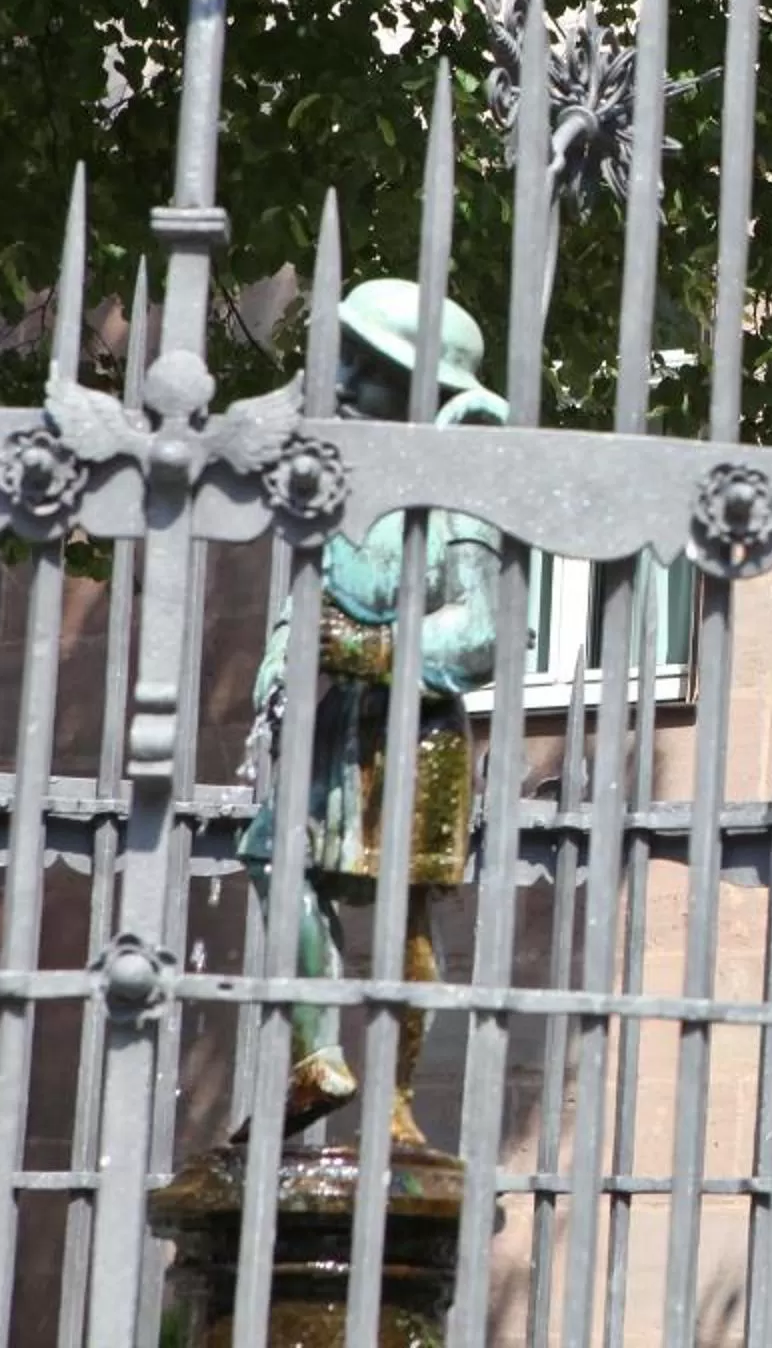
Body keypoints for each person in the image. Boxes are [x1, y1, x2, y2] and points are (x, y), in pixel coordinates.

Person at [239, 279, 506, 1146]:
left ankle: (395, 1105)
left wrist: (363, 648)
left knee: (403, 908)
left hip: (418, 733)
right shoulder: (345, 488)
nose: (344, 378)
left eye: (370, 365)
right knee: (276, 858)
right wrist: (282, 664)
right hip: (344, 722)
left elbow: (481, 634)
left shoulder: (460, 495)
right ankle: (319, 1059)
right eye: (345, 355)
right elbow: (306, 601)